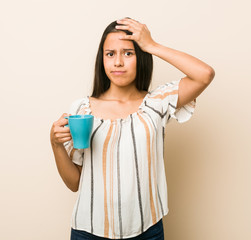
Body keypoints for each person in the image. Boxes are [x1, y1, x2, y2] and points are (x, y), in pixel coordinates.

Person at [50, 17, 215, 240]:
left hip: (147, 231)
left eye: (128, 53)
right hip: (89, 231)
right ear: (103, 60)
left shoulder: (157, 102)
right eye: (110, 54)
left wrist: (151, 45)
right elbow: (74, 183)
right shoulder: (82, 109)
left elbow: (204, 74)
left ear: (141, 58)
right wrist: (56, 145)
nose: (118, 62)